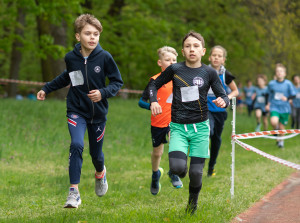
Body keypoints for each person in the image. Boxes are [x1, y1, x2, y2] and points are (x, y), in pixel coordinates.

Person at [36, 14, 123, 208]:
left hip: (98, 114)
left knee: (96, 155)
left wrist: (102, 93)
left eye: (96, 34)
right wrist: (46, 88)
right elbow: (67, 77)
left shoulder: (105, 57)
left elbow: (117, 82)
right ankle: (74, 192)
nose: (93, 37)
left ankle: (100, 173)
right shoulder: (71, 58)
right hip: (76, 110)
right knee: (76, 144)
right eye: (88, 33)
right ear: (78, 36)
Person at [149, 31, 230, 214]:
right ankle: (179, 171)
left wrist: (223, 101)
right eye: (187, 46)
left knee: (196, 173)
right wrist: (153, 101)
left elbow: (222, 94)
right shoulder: (175, 69)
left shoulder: (209, 72)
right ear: (183, 51)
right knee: (178, 168)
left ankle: (192, 204)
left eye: (195, 46)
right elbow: (154, 84)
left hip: (200, 127)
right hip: (177, 127)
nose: (191, 49)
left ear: (203, 51)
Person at [138, 46, 183, 195]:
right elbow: (141, 101)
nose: (171, 62)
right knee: (157, 153)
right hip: (157, 122)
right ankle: (155, 174)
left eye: (174, 60)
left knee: (176, 143)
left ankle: (174, 172)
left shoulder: (180, 80)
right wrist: (152, 105)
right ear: (160, 62)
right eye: (167, 60)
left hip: (174, 121)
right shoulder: (154, 81)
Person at [206, 45, 239, 177]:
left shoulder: (226, 75)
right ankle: (199, 161)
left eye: (219, 56)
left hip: (220, 111)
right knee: (208, 131)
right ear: (209, 57)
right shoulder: (204, 71)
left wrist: (227, 97)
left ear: (223, 60)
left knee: (216, 138)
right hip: (205, 109)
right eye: (214, 55)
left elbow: (236, 91)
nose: (216, 58)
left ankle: (211, 167)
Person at [265, 63, 296, 148]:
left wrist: (287, 98)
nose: (279, 73)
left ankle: (281, 142)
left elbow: (293, 95)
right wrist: (267, 104)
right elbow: (268, 94)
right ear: (275, 73)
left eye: (281, 71)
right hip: (274, 106)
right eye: (277, 71)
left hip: (285, 108)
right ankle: (275, 130)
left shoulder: (288, 83)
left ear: (285, 74)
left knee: (282, 128)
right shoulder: (271, 84)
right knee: (274, 121)